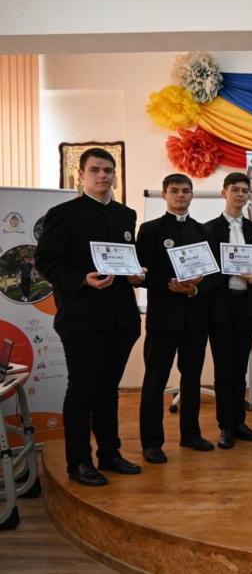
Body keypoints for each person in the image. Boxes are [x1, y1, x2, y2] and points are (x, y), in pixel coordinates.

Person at [35, 148, 145, 486]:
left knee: (108, 389)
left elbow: (126, 259)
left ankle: (109, 453)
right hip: (81, 318)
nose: (103, 175)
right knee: (83, 389)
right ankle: (79, 461)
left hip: (121, 318)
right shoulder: (63, 214)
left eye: (108, 170)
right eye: (95, 169)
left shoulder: (126, 215)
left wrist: (135, 274)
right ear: (80, 174)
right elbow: (46, 262)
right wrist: (82, 279)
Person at [136, 173, 219, 464]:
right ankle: (151, 443)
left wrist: (195, 288)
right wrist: (169, 283)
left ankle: (191, 434)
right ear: (164, 195)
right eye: (174, 191)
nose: (180, 195)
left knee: (192, 378)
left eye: (185, 191)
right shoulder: (150, 230)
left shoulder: (204, 231)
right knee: (155, 380)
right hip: (163, 318)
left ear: (192, 195)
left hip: (195, 319)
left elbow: (215, 276)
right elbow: (141, 274)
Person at [206, 172, 252, 449]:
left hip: (247, 305)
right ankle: (225, 426)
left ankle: (240, 422)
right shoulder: (209, 229)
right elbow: (206, 269)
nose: (240, 194)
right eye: (235, 189)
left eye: (245, 190)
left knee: (241, 367)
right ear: (224, 192)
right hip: (221, 305)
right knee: (224, 369)